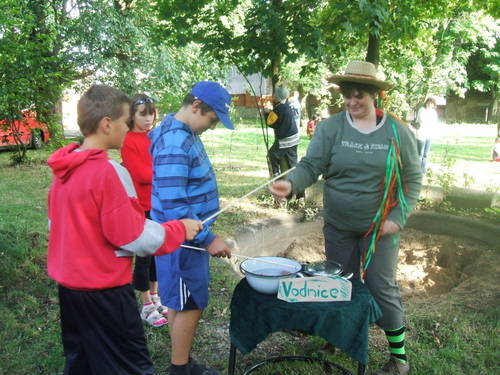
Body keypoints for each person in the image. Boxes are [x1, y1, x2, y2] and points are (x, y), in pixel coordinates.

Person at [270, 61, 422, 375]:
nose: (352, 102)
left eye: (359, 96)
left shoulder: (397, 131)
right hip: (338, 224)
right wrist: (292, 183)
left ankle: (399, 359)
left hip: (381, 227)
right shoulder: (331, 127)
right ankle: (336, 339)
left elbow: (413, 179)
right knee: (340, 282)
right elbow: (311, 166)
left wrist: (399, 216)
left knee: (382, 288)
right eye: (347, 96)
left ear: (375, 95)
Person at [46, 84, 202, 375]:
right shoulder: (109, 173)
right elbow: (133, 236)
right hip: (105, 292)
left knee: (82, 362)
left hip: (69, 291)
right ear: (107, 124)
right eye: (125, 122)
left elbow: (56, 227)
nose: (128, 129)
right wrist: (179, 229)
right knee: (132, 366)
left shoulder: (62, 171)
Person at [149, 81, 233, 375]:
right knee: (190, 303)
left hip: (185, 240)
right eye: (211, 120)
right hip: (183, 242)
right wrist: (209, 239)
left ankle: (181, 360)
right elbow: (174, 205)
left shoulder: (181, 131)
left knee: (178, 299)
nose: (211, 126)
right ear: (196, 106)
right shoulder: (175, 142)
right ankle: (180, 368)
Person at [121, 93, 168, 327]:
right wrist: (166, 174)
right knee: (144, 256)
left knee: (158, 252)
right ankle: (146, 305)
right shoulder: (128, 139)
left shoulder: (154, 136)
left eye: (151, 113)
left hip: (158, 203)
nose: (149, 118)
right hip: (141, 206)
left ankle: (155, 296)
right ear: (132, 115)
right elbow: (140, 174)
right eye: (143, 114)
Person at [267, 86, 300, 177]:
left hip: (286, 139)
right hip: (295, 137)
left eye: (274, 95)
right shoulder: (287, 105)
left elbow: (270, 122)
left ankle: (276, 174)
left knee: (272, 154)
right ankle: (300, 186)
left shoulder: (278, 109)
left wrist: (267, 113)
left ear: (277, 97)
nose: (273, 97)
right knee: (292, 162)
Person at [416, 97, 439, 173]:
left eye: (431, 104)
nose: (429, 105)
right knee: (420, 154)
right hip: (421, 135)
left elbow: (435, 123)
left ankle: (423, 170)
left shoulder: (433, 112)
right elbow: (423, 121)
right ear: (426, 103)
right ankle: (418, 170)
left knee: (426, 154)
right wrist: (430, 123)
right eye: (428, 103)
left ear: (433, 105)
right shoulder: (422, 110)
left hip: (430, 135)